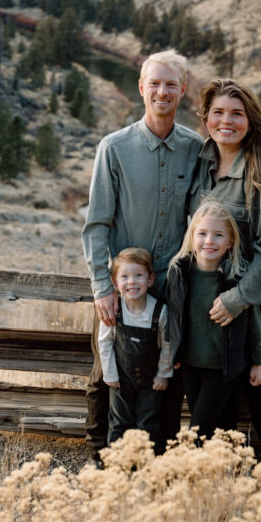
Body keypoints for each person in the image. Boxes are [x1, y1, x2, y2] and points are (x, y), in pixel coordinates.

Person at [82, 49, 203, 461]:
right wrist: (103, 286)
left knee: (168, 371)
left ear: (183, 90)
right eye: (154, 83)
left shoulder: (195, 149)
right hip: (123, 284)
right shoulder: (114, 148)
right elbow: (97, 224)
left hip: (171, 286)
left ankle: (159, 454)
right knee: (106, 370)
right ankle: (100, 453)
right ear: (141, 88)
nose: (162, 91)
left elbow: (204, 220)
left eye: (171, 84)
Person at [189, 78, 261, 478]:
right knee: (219, 377)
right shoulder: (202, 162)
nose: (226, 121)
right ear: (205, 118)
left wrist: (237, 300)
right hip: (216, 299)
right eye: (218, 112)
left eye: (236, 113)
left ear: (250, 120)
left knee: (259, 381)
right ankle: (221, 464)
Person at [167, 202, 261, 442]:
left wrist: (259, 361)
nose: (209, 241)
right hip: (190, 366)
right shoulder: (179, 273)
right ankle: (221, 472)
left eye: (218, 235)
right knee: (217, 425)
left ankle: (192, 473)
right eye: (202, 233)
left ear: (230, 242)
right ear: (192, 237)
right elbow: (173, 316)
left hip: (222, 370)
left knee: (197, 431)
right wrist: (173, 353)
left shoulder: (235, 279)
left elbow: (253, 323)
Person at [98, 247, 173, 447]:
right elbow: (105, 343)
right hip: (121, 380)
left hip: (151, 382)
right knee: (119, 423)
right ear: (115, 283)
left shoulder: (159, 311)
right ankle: (116, 467)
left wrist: (163, 374)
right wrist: (110, 374)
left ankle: (143, 468)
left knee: (147, 424)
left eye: (138, 275)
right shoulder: (114, 310)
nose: (131, 281)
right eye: (125, 277)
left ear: (150, 280)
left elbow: (167, 345)